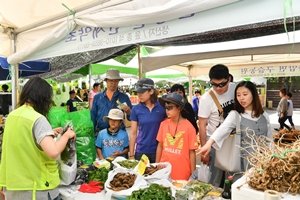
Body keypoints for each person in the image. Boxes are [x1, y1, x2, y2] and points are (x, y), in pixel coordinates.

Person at [0, 77, 76, 200]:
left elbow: (23, 140)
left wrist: (48, 133)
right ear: (43, 98)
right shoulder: (38, 119)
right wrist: (67, 135)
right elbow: (53, 151)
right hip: (37, 190)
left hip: (13, 187)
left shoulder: (12, 116)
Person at [199, 81, 272, 180]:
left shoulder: (264, 116)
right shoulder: (236, 115)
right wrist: (208, 144)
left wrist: (272, 159)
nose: (241, 98)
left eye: (245, 94)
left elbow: (269, 141)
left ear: (254, 95)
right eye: (238, 95)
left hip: (261, 164)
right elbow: (221, 130)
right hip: (241, 164)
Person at [198, 64, 235, 187]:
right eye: (214, 84)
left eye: (222, 84)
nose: (218, 88)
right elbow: (202, 125)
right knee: (214, 181)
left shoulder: (236, 90)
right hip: (214, 144)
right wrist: (205, 151)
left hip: (234, 142)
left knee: (233, 179)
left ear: (229, 79)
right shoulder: (206, 99)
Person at [156, 92, 198, 180]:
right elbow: (160, 146)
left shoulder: (189, 127)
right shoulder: (163, 124)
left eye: (170, 107)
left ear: (179, 108)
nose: (167, 110)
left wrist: (193, 175)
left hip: (182, 172)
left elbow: (192, 152)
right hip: (164, 171)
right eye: (166, 107)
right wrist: (156, 166)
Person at [129, 78, 166, 163]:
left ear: (151, 91)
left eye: (142, 92)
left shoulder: (162, 108)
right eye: (138, 92)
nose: (139, 95)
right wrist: (131, 155)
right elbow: (133, 133)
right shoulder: (136, 109)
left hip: (158, 150)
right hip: (141, 151)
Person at [91, 69, 132, 134]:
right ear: (106, 81)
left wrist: (129, 112)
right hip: (101, 133)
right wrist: (92, 132)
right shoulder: (97, 97)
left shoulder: (124, 97)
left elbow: (131, 118)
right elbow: (93, 116)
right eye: (111, 80)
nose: (113, 83)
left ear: (119, 81)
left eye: (116, 81)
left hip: (119, 134)